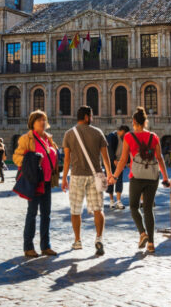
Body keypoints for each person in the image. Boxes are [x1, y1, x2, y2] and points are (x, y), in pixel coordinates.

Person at [109, 107, 171, 254]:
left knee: (133, 207)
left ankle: (142, 233)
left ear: (134, 121)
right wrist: (166, 178)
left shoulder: (129, 137)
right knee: (148, 209)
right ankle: (151, 243)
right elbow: (160, 158)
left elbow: (123, 160)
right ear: (145, 122)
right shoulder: (154, 136)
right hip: (152, 177)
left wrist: (115, 176)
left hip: (136, 177)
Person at [62, 106, 113, 256]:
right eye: (91, 115)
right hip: (96, 175)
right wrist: (109, 174)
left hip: (77, 175)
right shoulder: (98, 132)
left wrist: (64, 178)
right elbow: (105, 157)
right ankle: (99, 239)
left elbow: (66, 160)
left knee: (75, 210)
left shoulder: (69, 134)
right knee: (98, 209)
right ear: (86, 117)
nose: (92, 118)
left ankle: (77, 240)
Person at [13, 110, 59, 258]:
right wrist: (30, 163)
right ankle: (28, 247)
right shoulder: (27, 138)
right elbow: (17, 157)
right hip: (34, 181)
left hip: (46, 181)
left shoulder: (48, 138)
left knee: (46, 215)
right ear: (32, 122)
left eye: (44, 120)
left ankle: (46, 246)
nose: (43, 122)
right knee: (32, 214)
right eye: (39, 120)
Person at [105, 126, 127, 210]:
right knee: (110, 179)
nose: (125, 135)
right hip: (111, 162)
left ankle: (118, 201)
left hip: (120, 162)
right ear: (121, 131)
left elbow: (125, 150)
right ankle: (111, 201)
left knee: (119, 180)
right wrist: (113, 159)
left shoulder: (124, 138)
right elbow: (109, 149)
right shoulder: (112, 136)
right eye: (124, 133)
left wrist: (126, 161)